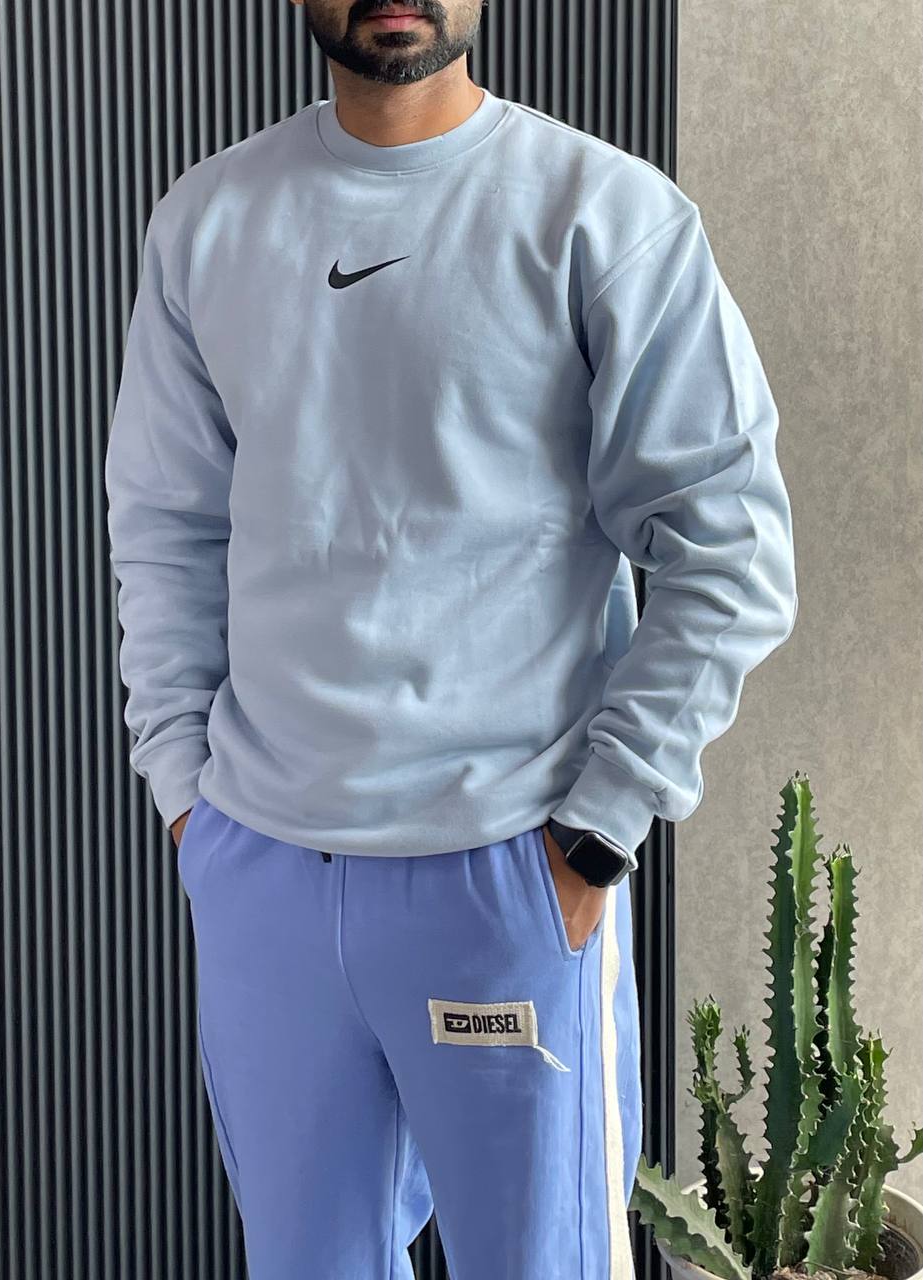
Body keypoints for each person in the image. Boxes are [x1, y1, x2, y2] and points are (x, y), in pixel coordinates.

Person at [103, 2, 798, 1276]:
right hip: (263, 870)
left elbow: (731, 545)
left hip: (508, 871)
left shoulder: (603, 215)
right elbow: (166, 525)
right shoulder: (206, 219)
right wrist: (187, 799)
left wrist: (598, 829)